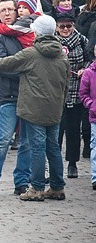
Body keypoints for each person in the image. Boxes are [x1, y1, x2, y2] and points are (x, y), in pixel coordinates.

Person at [0, 15, 69, 201]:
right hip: (54, 107)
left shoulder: (32, 53)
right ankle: (57, 187)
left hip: (32, 107)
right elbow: (65, 84)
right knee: (52, 147)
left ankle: (36, 187)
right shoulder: (62, 55)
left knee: (35, 147)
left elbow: (4, 63)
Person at [0, 0, 31, 197]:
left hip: (28, 94)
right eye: (3, 10)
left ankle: (22, 182)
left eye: (11, 9)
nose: (8, 13)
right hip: (8, 94)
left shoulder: (26, 34)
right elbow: (1, 65)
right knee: (2, 140)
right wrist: (28, 70)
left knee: (27, 142)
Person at [54, 11, 89, 179]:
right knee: (56, 131)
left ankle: (72, 163)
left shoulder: (82, 40)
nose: (66, 29)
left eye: (69, 26)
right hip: (56, 91)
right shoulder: (52, 41)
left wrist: (85, 69)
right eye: (62, 26)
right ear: (56, 27)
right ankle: (55, 165)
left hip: (76, 89)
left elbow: (91, 58)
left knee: (73, 129)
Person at [78, 47, 96, 191]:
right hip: (95, 116)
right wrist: (92, 105)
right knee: (95, 145)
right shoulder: (89, 73)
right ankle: (95, 177)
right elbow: (83, 94)